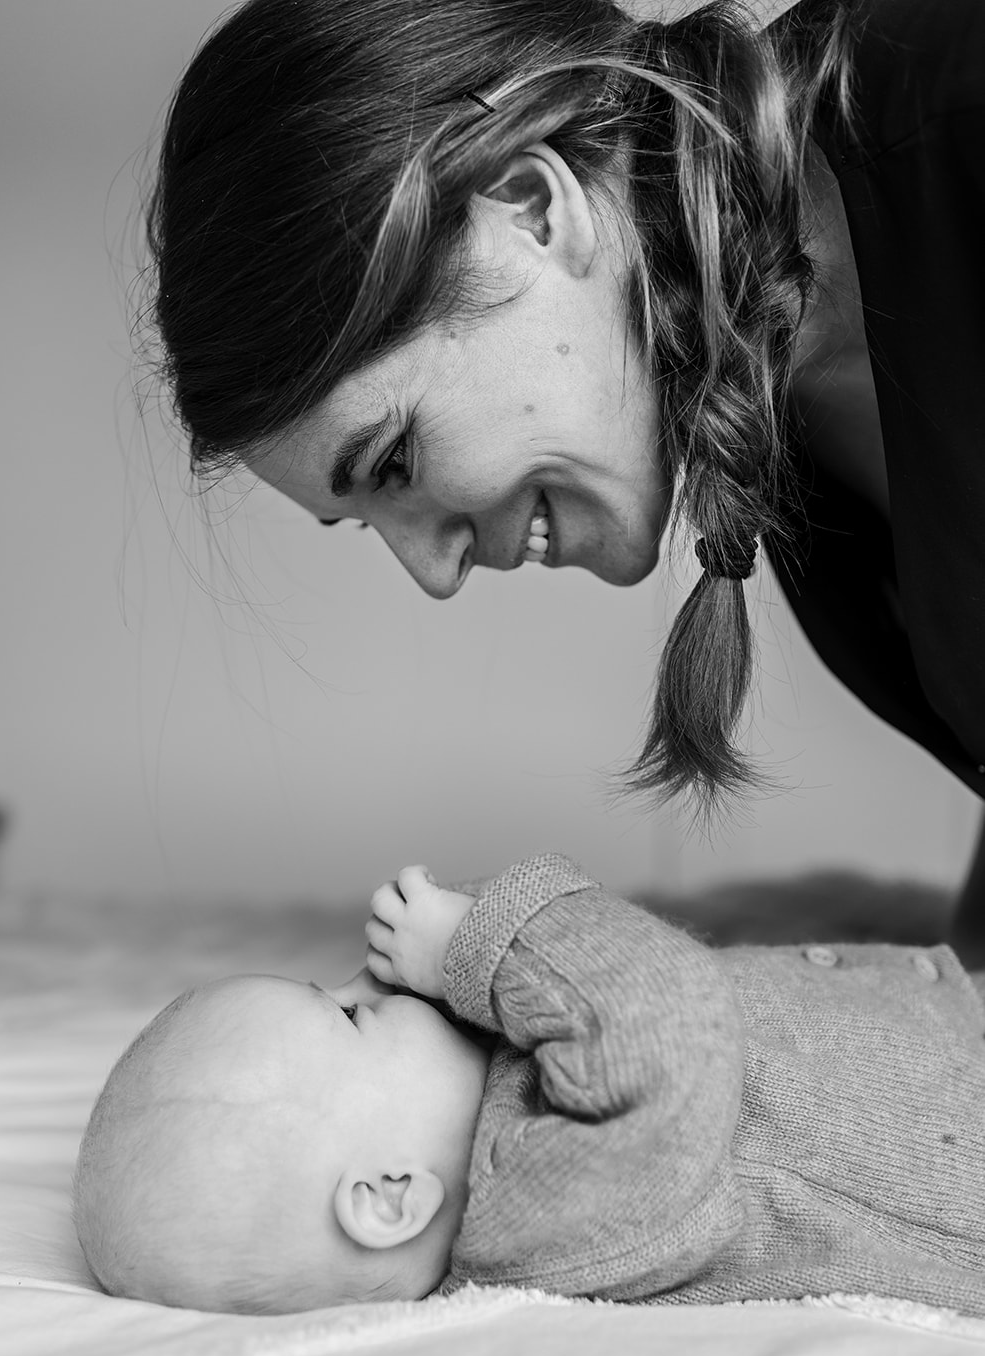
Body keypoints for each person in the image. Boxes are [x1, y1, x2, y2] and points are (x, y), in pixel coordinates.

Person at [142, 0, 985, 959]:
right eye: (364, 520)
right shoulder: (768, 397)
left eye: (394, 463)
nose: (433, 573)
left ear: (533, 211)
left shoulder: (955, 110)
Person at [74, 855, 985, 1318]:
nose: (365, 983)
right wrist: (473, 944)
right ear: (388, 1198)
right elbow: (662, 1013)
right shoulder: (541, 1209)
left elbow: (574, 977)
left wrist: (454, 954)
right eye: (346, 1015)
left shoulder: (498, 1115)